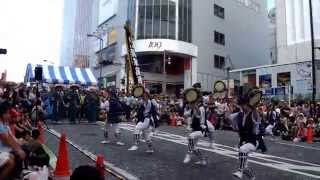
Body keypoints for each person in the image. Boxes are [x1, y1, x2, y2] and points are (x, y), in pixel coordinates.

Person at [231, 89, 261, 180]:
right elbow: (230, 119)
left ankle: (239, 171)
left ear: (248, 104)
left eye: (243, 105)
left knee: (242, 150)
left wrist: (254, 104)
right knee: (245, 166)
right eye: (241, 105)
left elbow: (257, 118)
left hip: (253, 141)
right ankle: (252, 178)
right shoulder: (240, 115)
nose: (242, 107)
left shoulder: (254, 113)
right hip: (244, 141)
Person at [128, 89, 156, 153]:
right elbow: (138, 109)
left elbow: (145, 108)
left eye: (145, 95)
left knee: (137, 128)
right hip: (145, 120)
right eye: (143, 95)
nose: (144, 96)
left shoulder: (149, 102)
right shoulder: (143, 102)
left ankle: (136, 144)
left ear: (148, 95)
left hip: (146, 120)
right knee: (146, 137)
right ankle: (150, 149)